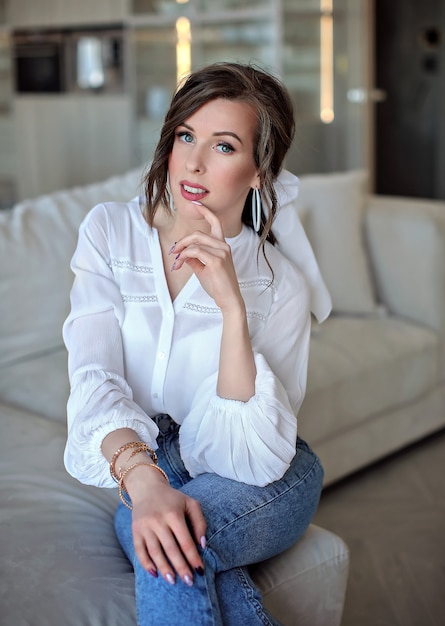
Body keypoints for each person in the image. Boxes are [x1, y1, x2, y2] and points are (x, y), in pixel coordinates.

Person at [63, 62, 330, 626]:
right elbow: (95, 375)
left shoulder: (280, 285)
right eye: (186, 135)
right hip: (149, 456)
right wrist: (143, 480)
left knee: (162, 542)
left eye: (224, 146)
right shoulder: (110, 233)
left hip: (263, 470)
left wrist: (232, 308)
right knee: (166, 546)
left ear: (260, 172)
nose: (194, 162)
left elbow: (243, 455)